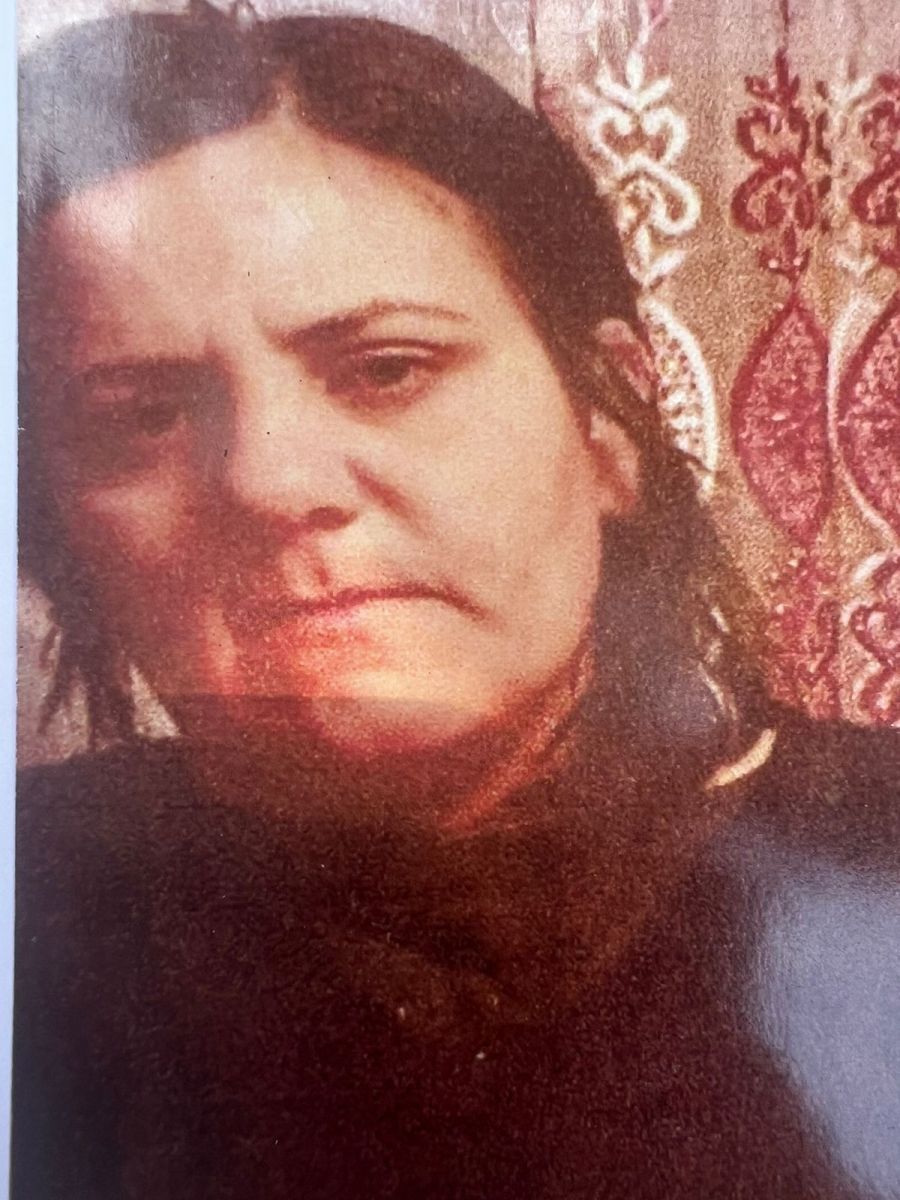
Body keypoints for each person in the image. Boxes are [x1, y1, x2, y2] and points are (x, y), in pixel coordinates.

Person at [14, 6, 900, 1198]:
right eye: (141, 417)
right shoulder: (35, 901)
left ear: (610, 428)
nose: (269, 482)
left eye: (388, 368)